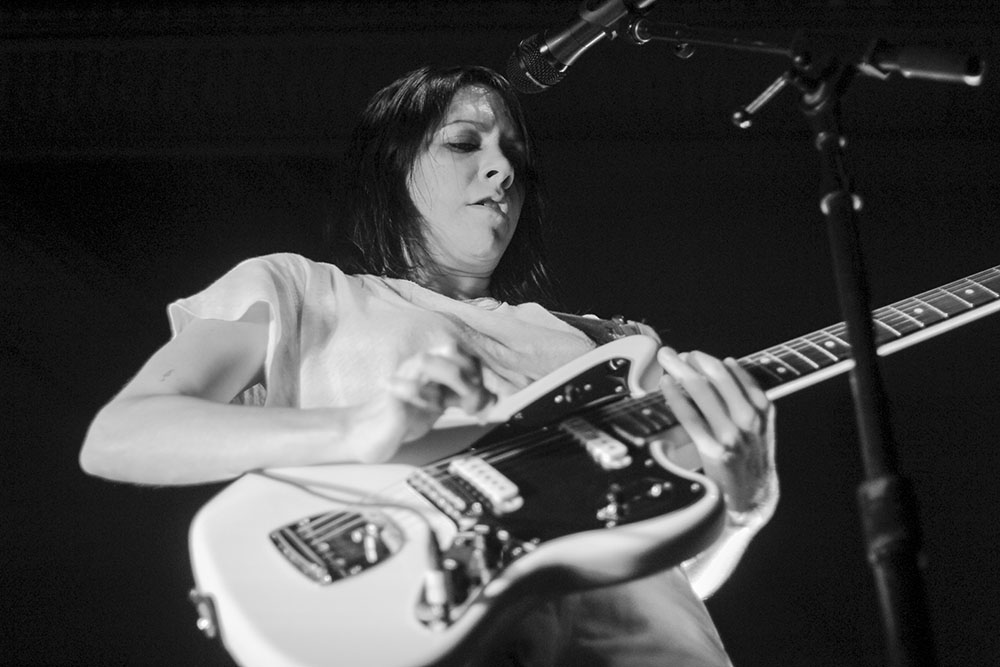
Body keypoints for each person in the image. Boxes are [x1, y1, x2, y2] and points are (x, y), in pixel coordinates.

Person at [80, 65, 778, 666]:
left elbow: (664, 566)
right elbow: (122, 434)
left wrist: (739, 503)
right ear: (392, 166)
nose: (503, 168)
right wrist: (360, 427)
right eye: (464, 143)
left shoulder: (612, 348)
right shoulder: (306, 291)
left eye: (513, 153)